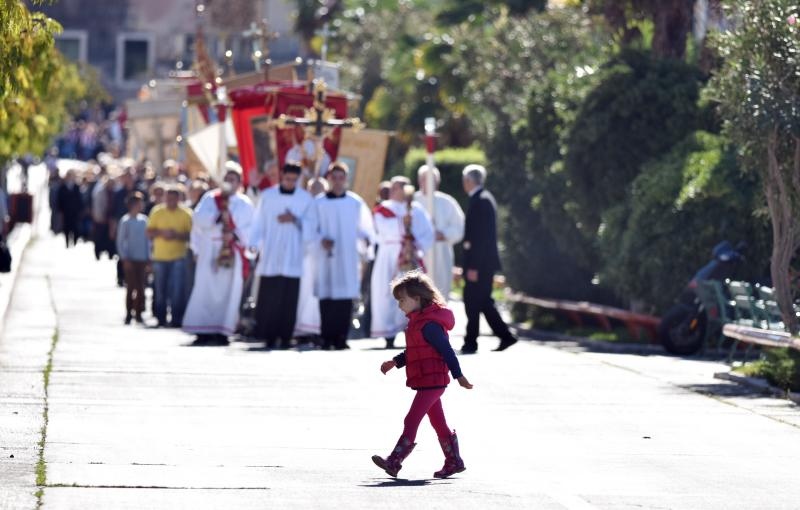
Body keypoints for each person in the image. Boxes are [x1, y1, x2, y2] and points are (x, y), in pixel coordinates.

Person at [372, 270, 473, 479]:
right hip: (427, 381)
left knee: (411, 419)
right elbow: (416, 351)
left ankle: (394, 461)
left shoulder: (430, 325)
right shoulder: (418, 322)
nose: (399, 305)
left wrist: (459, 375)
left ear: (417, 298)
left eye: (402, 300)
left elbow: (446, 351)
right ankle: (454, 461)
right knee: (439, 423)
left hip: (433, 382)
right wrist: (395, 362)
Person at [182, 163, 254, 345]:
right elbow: (197, 219)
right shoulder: (209, 198)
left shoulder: (244, 203)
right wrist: (215, 219)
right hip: (210, 250)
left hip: (231, 252)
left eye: (233, 179)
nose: (230, 182)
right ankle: (202, 330)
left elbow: (250, 228)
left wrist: (234, 234)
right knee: (204, 289)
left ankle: (223, 330)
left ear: (239, 182)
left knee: (229, 292)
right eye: (227, 179)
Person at [248, 162, 317, 350]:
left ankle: (285, 336)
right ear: (281, 176)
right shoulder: (268, 196)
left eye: (295, 180)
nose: (290, 183)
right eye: (288, 179)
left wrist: (294, 219)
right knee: (269, 296)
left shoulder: (305, 199)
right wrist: (253, 243)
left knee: (288, 298)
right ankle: (268, 335)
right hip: (271, 253)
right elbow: (258, 222)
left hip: (293, 256)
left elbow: (312, 226)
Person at [314, 162, 376, 350]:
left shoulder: (355, 203)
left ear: (346, 179)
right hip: (325, 256)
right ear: (329, 179)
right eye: (335, 177)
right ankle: (326, 337)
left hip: (348, 256)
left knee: (345, 297)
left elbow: (366, 228)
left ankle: (341, 337)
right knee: (327, 296)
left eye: (342, 177)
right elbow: (310, 228)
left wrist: (366, 240)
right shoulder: (319, 203)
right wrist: (320, 240)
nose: (338, 181)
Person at [370, 176, 434, 348]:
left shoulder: (417, 209)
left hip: (410, 255)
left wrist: (414, 244)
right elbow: (382, 230)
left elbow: (428, 233)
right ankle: (388, 333)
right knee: (387, 293)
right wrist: (402, 226)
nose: (397, 190)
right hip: (389, 256)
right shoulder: (384, 209)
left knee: (413, 293)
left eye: (402, 187)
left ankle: (413, 330)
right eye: (396, 187)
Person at [460, 164, 518, 353]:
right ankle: (502, 336)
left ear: (469, 181)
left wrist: (473, 266)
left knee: (476, 300)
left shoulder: (481, 200)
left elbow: (480, 238)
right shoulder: (481, 198)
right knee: (481, 301)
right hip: (481, 263)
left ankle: (472, 341)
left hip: (480, 264)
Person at [414, 165, 465, 299]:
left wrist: (443, 234)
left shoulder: (447, 202)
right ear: (420, 181)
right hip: (418, 254)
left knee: (439, 293)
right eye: (426, 179)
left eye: (434, 180)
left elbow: (459, 227)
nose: (430, 183)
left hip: (441, 255)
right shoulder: (413, 201)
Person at [147, 187, 193, 327]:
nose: (170, 202)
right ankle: (160, 317)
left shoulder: (186, 214)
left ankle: (176, 318)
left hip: (179, 257)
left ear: (179, 199)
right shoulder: (157, 211)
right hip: (160, 257)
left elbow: (192, 236)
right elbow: (149, 232)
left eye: (173, 199)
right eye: (168, 198)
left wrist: (177, 235)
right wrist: (162, 233)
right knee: (160, 289)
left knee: (177, 290)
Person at [293, 177, 328, 341]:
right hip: (305, 255)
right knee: (304, 291)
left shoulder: (328, 206)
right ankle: (301, 328)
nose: (315, 191)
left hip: (324, 256)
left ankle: (318, 328)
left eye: (319, 188)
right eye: (313, 188)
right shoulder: (303, 207)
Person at [116, 192, 150, 324]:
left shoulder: (144, 220)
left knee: (141, 287)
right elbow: (121, 240)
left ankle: (139, 311)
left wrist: (149, 257)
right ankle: (129, 312)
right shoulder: (125, 221)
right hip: (130, 258)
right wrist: (124, 258)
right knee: (131, 286)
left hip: (142, 258)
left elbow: (148, 241)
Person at [57, 170, 84, 248]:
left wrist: (80, 209)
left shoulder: (76, 186)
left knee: (75, 227)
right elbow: (59, 199)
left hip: (75, 212)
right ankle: (67, 242)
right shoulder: (62, 187)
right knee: (66, 227)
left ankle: (75, 241)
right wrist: (60, 210)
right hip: (66, 212)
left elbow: (79, 199)